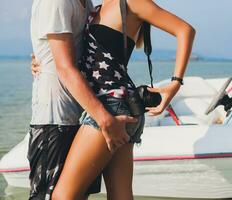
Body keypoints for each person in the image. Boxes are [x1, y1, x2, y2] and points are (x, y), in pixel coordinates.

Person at [48, 0, 196, 199]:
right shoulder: (98, 8)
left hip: (110, 107)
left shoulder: (132, 2)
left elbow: (185, 30)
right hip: (123, 106)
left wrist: (175, 83)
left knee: (62, 196)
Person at [28, 0, 138, 199]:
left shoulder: (87, 4)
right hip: (54, 117)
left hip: (84, 115)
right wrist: (105, 120)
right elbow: (63, 66)